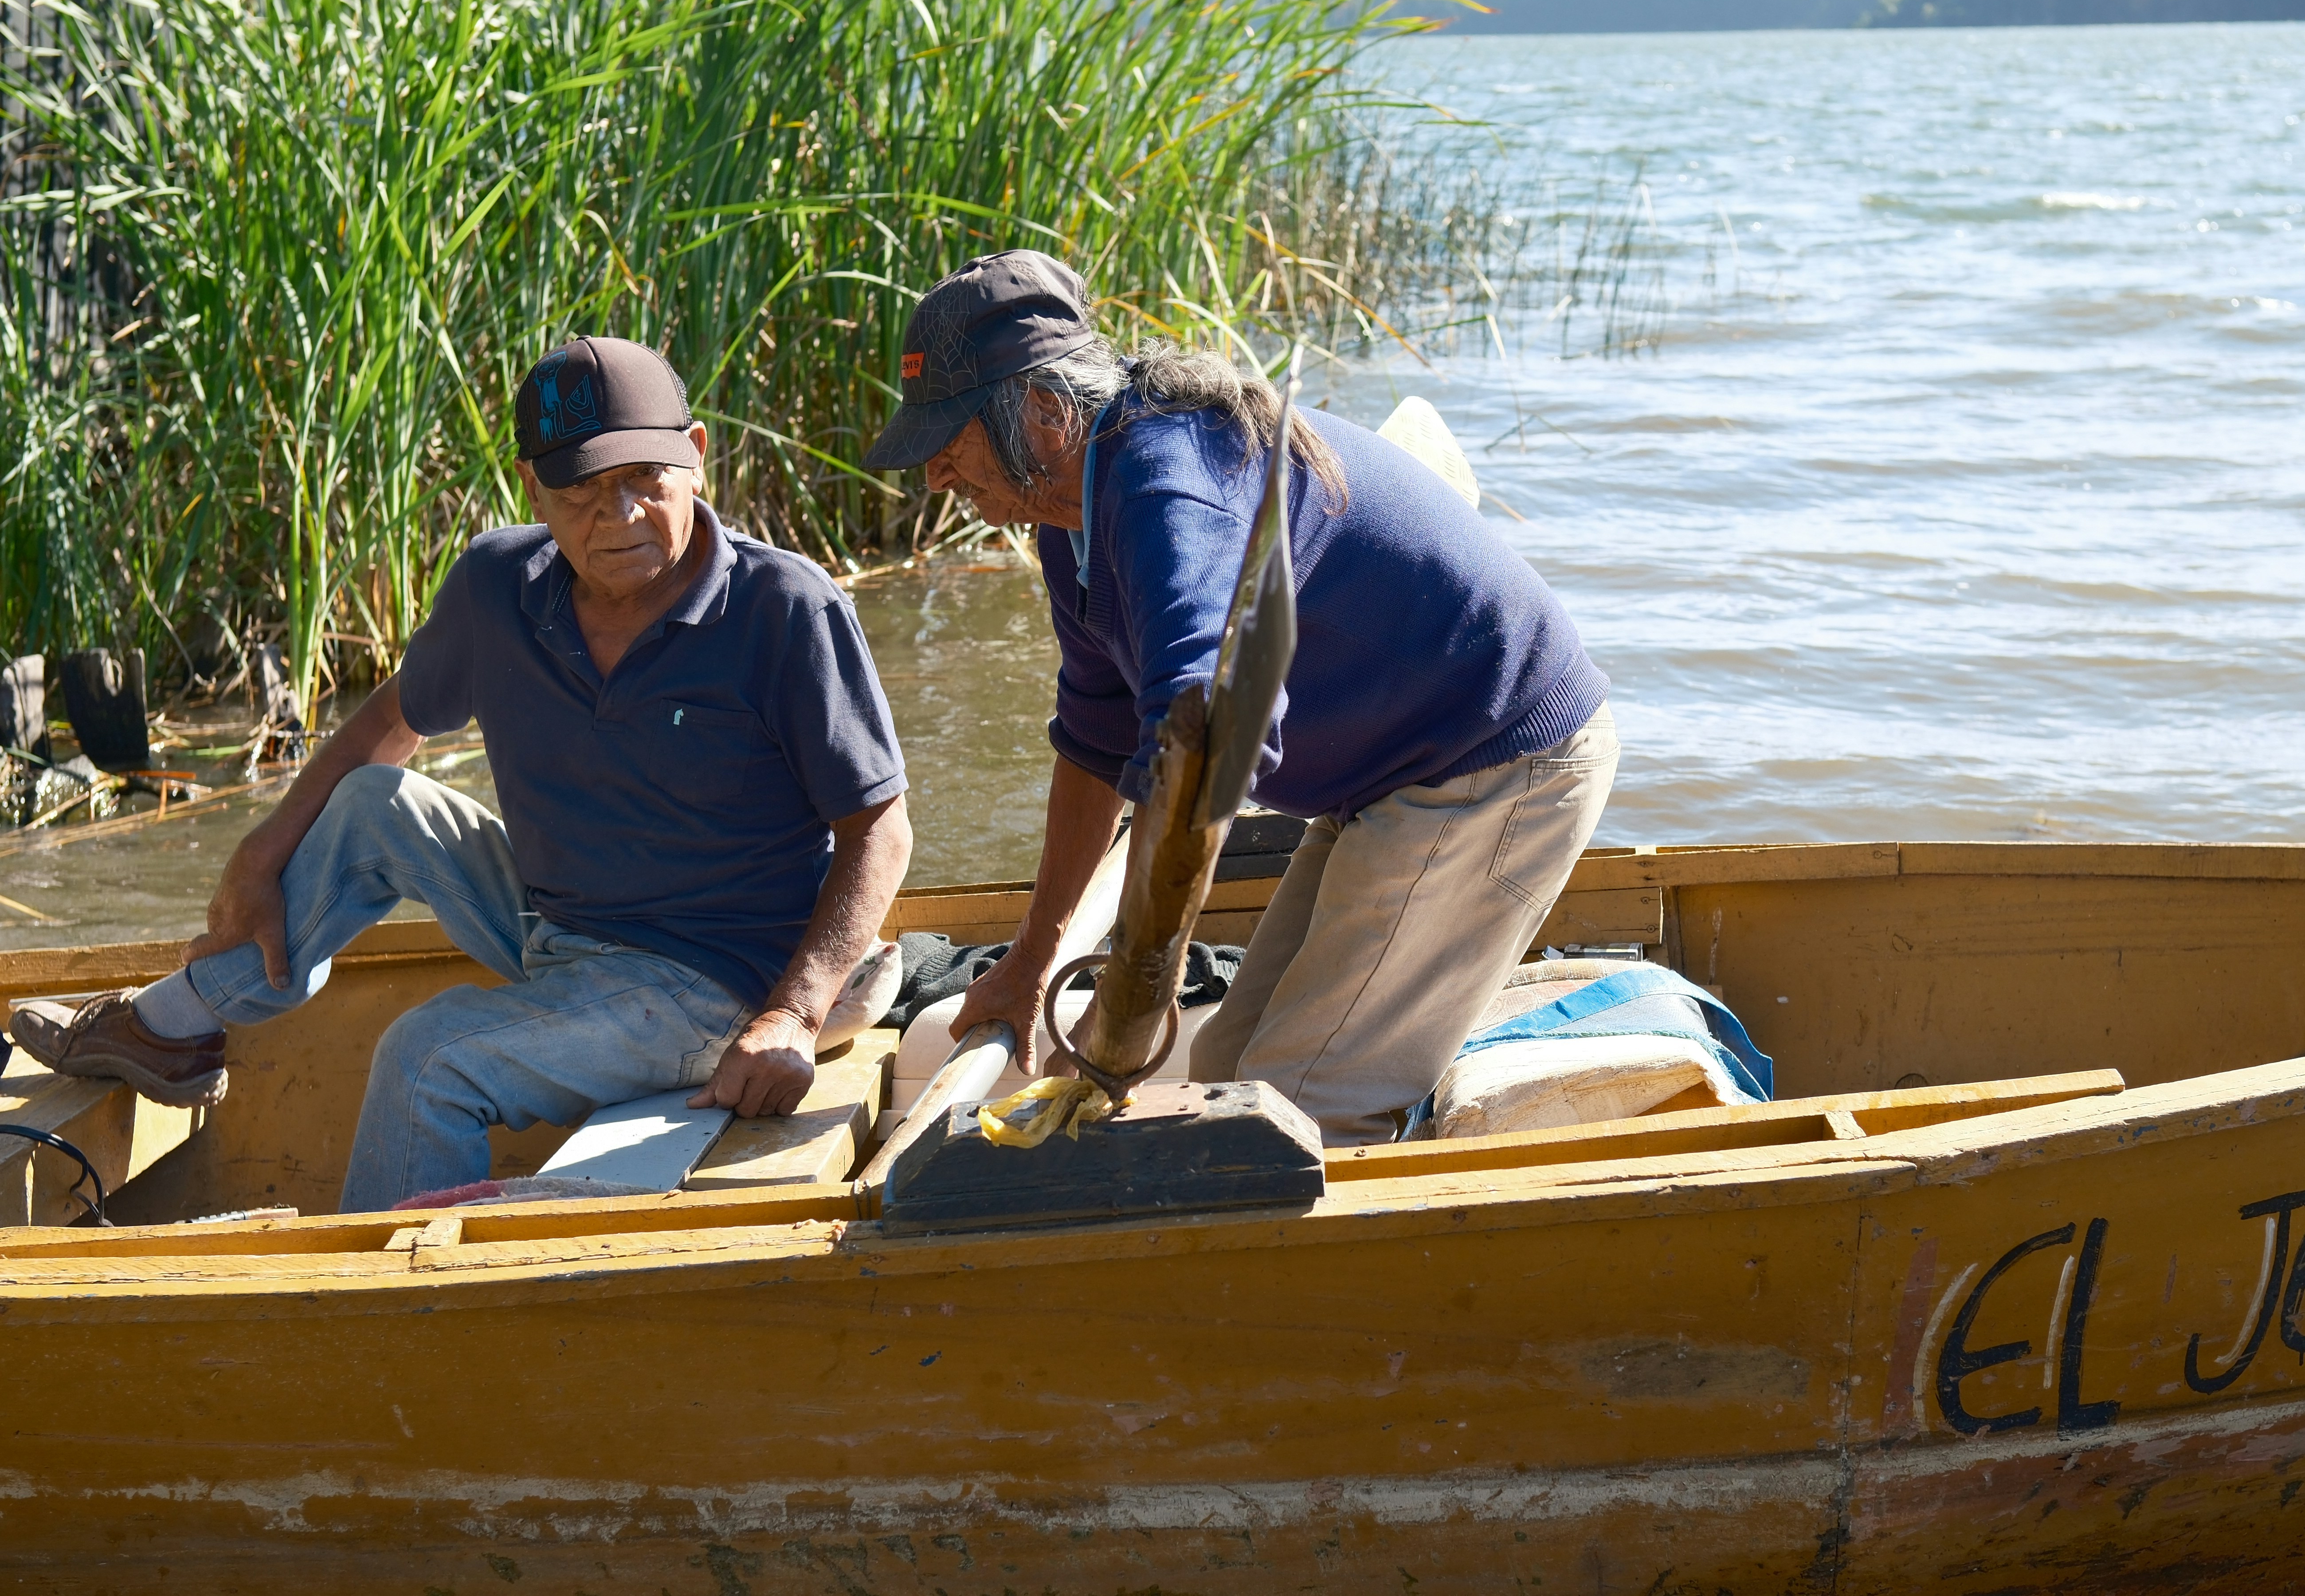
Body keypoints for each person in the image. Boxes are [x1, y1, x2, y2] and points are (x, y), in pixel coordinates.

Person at [8, 338, 914, 1212]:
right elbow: (390, 717)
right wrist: (259, 852)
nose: (620, 514)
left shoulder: (785, 609)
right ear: (534, 490)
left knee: (428, 1058)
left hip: (715, 981)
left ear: (698, 457)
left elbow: (880, 830)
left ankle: (379, 1303)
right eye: (582, 489)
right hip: (559, 925)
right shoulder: (498, 587)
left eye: (646, 476)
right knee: (372, 802)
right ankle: (178, 1026)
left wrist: (794, 1014)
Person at [862, 251, 1616, 1147]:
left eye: (951, 440)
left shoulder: (1170, 484)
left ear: (1042, 411)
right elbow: (1099, 744)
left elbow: (1205, 752)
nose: (936, 475)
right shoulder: (1071, 519)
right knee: (1224, 1070)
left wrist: (1124, 1018)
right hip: (1390, 777)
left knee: (1297, 1108)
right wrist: (1032, 960)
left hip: (1496, 763)